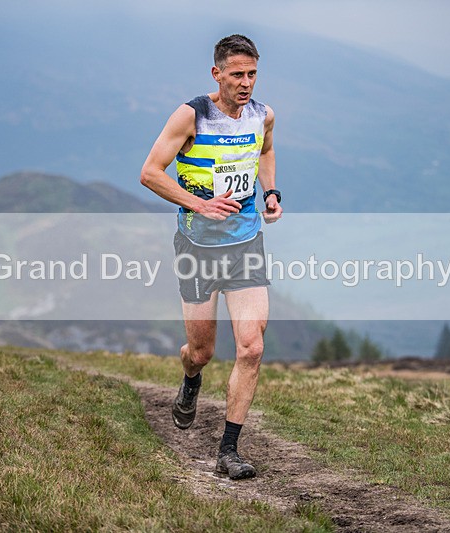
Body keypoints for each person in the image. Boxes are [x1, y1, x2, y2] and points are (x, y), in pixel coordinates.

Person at [140, 34, 282, 480]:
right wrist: (199, 204)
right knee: (201, 351)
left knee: (252, 346)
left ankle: (229, 449)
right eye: (237, 74)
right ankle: (190, 380)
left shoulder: (263, 115)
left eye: (252, 74)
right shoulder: (191, 116)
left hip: (245, 244)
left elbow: (266, 150)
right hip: (197, 247)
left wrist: (271, 192)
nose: (246, 83)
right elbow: (149, 173)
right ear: (216, 73)